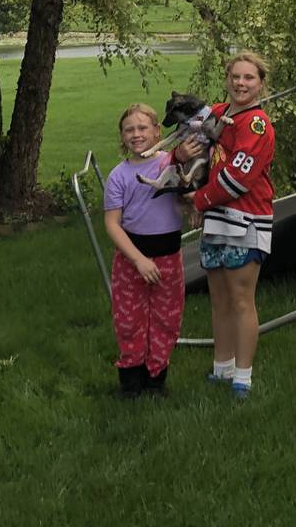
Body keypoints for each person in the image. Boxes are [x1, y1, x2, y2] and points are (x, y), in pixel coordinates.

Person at [185, 52, 275, 400]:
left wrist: (198, 200)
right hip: (216, 219)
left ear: (260, 83)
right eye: (236, 77)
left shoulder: (257, 125)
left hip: (245, 217)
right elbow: (195, 150)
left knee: (241, 300)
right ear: (227, 79)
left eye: (249, 78)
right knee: (218, 298)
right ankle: (221, 368)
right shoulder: (220, 114)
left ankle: (243, 376)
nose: (241, 83)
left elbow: (238, 178)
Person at [103, 103, 186, 398]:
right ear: (122, 136)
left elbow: (187, 197)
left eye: (142, 128)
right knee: (129, 320)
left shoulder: (171, 165)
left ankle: (156, 380)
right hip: (131, 259)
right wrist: (138, 260)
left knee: (166, 319)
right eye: (129, 130)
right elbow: (113, 224)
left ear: (156, 131)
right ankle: (131, 381)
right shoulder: (119, 176)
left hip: (168, 256)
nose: (136, 134)